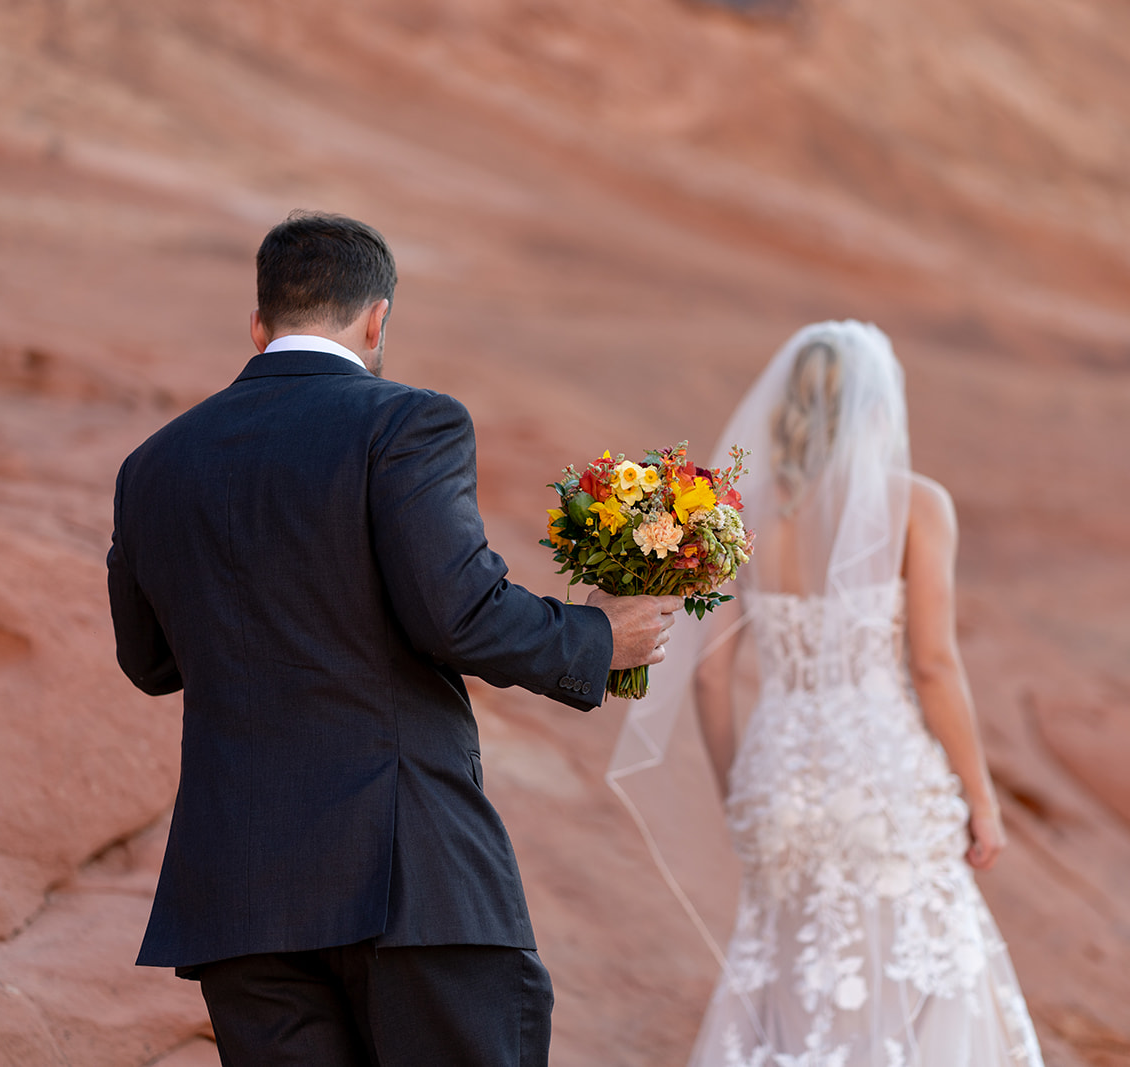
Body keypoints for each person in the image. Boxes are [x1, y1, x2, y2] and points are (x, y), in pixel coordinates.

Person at [107, 210, 681, 1067]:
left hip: (240, 894)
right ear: (378, 319)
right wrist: (597, 636)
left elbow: (148, 662)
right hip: (407, 878)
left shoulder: (153, 464)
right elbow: (459, 611)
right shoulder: (408, 423)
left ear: (258, 324)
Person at [607, 321, 1044, 1066]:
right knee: (918, 977)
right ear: (879, 408)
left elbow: (711, 671)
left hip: (780, 779)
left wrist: (738, 788)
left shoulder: (742, 515)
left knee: (795, 981)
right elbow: (934, 665)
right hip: (883, 775)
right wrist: (982, 795)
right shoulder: (918, 505)